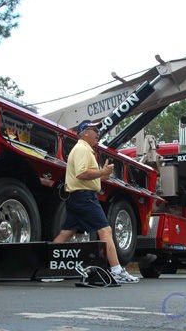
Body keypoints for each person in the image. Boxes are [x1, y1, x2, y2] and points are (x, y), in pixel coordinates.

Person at [54, 120, 139, 283]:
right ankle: (116, 271)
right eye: (94, 129)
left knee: (66, 233)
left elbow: (86, 173)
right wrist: (102, 172)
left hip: (77, 196)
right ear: (85, 132)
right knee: (105, 230)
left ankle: (49, 268)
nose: (98, 132)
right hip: (84, 197)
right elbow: (81, 173)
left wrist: (103, 174)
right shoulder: (81, 149)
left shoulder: (85, 149)